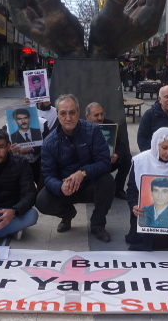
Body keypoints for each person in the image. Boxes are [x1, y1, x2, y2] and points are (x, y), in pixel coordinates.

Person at [36, 94, 115, 242]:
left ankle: (98, 224)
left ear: (78, 112)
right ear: (57, 114)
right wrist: (60, 187)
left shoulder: (93, 130)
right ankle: (67, 214)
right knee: (42, 201)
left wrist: (83, 173)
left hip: (89, 184)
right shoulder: (49, 142)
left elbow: (105, 162)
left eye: (72, 112)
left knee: (108, 181)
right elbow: (48, 176)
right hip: (65, 188)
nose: (68, 118)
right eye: (63, 113)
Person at [127, 127, 168, 251]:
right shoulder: (140, 161)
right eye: (164, 147)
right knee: (145, 228)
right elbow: (132, 189)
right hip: (144, 211)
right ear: (155, 145)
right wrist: (134, 205)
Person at [85, 102, 132, 200]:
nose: (100, 118)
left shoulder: (109, 124)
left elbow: (121, 145)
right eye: (96, 115)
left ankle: (118, 189)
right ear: (87, 117)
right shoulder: (82, 128)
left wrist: (117, 155)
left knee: (127, 158)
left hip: (109, 160)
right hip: (91, 164)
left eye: (102, 114)